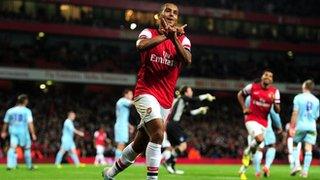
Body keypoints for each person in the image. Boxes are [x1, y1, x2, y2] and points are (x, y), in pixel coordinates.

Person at [103, 3, 192, 180]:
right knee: (159, 132)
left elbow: (187, 59)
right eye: (168, 11)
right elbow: (141, 46)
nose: (172, 15)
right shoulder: (148, 33)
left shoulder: (183, 40)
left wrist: (173, 38)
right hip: (145, 92)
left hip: (165, 99)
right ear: (159, 15)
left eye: (175, 13)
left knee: (139, 144)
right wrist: (166, 36)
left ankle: (110, 173)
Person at [237, 70, 281, 180]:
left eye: (270, 76)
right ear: (262, 77)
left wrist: (275, 105)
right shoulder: (252, 88)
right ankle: (249, 157)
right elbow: (240, 94)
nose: (268, 77)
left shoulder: (274, 92)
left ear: (272, 80)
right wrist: (244, 109)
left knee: (255, 150)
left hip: (264, 123)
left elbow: (277, 110)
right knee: (260, 140)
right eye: (266, 75)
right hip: (251, 120)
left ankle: (243, 170)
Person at [162, 86, 214, 174]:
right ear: (186, 92)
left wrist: (200, 110)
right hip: (174, 124)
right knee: (183, 146)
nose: (192, 92)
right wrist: (206, 95)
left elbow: (188, 113)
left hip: (170, 125)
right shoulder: (182, 98)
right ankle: (167, 162)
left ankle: (172, 167)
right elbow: (194, 99)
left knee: (176, 147)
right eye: (190, 90)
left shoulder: (182, 101)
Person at [246, 96, 282, 178]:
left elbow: (246, 112)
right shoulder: (269, 96)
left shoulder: (249, 97)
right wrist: (279, 126)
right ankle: (267, 166)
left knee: (257, 148)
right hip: (266, 126)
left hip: (254, 126)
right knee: (271, 146)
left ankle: (257, 171)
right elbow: (274, 113)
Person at [289, 79, 319, 178]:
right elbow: (316, 116)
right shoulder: (316, 100)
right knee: (308, 148)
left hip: (301, 126)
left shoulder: (298, 97)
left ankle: (297, 165)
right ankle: (305, 172)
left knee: (295, 144)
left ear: (304, 86)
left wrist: (292, 126)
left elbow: (295, 112)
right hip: (311, 126)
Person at [1, 94, 37, 170]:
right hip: (23, 132)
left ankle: (9, 166)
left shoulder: (10, 111)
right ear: (25, 101)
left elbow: (6, 122)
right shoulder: (27, 111)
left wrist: (3, 132)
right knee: (27, 148)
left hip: (13, 132)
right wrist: (33, 133)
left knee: (12, 147)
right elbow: (30, 123)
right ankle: (29, 166)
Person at [114, 89, 133, 160]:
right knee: (121, 144)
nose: (132, 96)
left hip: (123, 125)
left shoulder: (124, 103)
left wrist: (129, 126)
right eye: (130, 94)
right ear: (126, 95)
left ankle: (118, 160)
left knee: (122, 144)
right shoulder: (122, 101)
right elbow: (133, 103)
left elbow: (122, 117)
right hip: (120, 126)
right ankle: (116, 161)